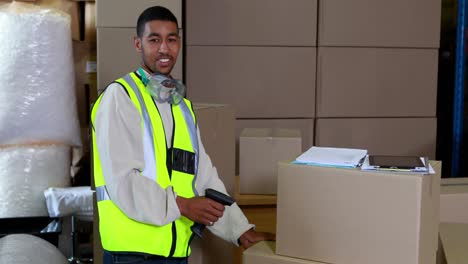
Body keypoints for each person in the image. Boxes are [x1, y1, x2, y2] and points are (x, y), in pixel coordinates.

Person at [91, 5, 272, 264]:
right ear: (137, 44)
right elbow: (122, 181)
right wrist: (183, 206)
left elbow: (204, 177)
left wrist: (240, 230)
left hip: (175, 255)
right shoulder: (121, 98)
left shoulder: (181, 107)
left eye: (171, 39)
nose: (164, 48)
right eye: (154, 40)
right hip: (132, 255)